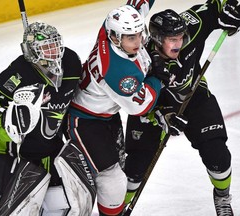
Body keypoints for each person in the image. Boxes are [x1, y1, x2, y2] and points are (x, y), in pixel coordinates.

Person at [124, 0, 240, 215]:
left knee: (218, 156)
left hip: (194, 95)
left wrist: (230, 11)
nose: (179, 44)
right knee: (134, 170)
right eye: (173, 40)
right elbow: (131, 99)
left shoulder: (192, 25)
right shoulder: (137, 58)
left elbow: (218, 4)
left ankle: (222, 198)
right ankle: (120, 207)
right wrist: (162, 114)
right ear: (158, 39)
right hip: (152, 106)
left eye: (180, 38)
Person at [65, 1, 173, 215]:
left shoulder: (109, 31)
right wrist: (157, 80)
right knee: (112, 178)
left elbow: (137, 4)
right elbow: (140, 106)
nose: (138, 42)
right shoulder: (118, 70)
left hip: (105, 114)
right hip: (85, 122)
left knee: (117, 171)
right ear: (115, 37)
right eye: (131, 38)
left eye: (139, 34)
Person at [0, 21, 93, 215]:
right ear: (31, 52)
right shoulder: (14, 78)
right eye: (46, 48)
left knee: (65, 204)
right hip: (12, 155)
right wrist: (17, 118)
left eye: (55, 45)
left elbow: (73, 103)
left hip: (49, 150)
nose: (54, 52)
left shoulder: (71, 62)